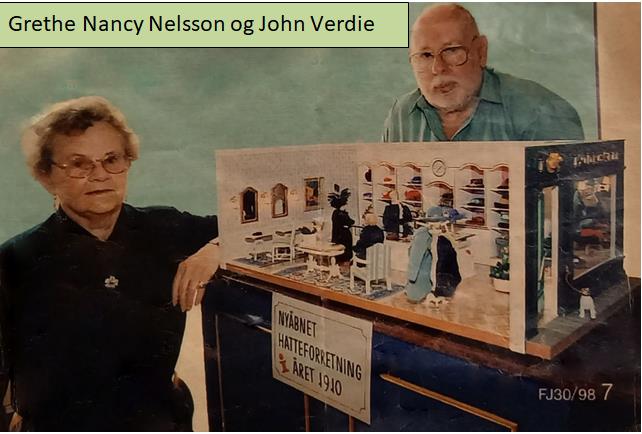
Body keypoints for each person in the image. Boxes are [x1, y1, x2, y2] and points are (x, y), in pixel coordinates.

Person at [0, 96, 220, 431]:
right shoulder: (15, 259)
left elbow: (260, 224)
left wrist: (217, 248)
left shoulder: (165, 226)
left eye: (111, 159)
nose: (100, 175)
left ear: (128, 162)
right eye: (79, 164)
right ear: (46, 175)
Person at [383, 4, 585, 142]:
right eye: (425, 55)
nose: (438, 68)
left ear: (481, 52)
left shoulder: (541, 112)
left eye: (451, 51)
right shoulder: (401, 115)